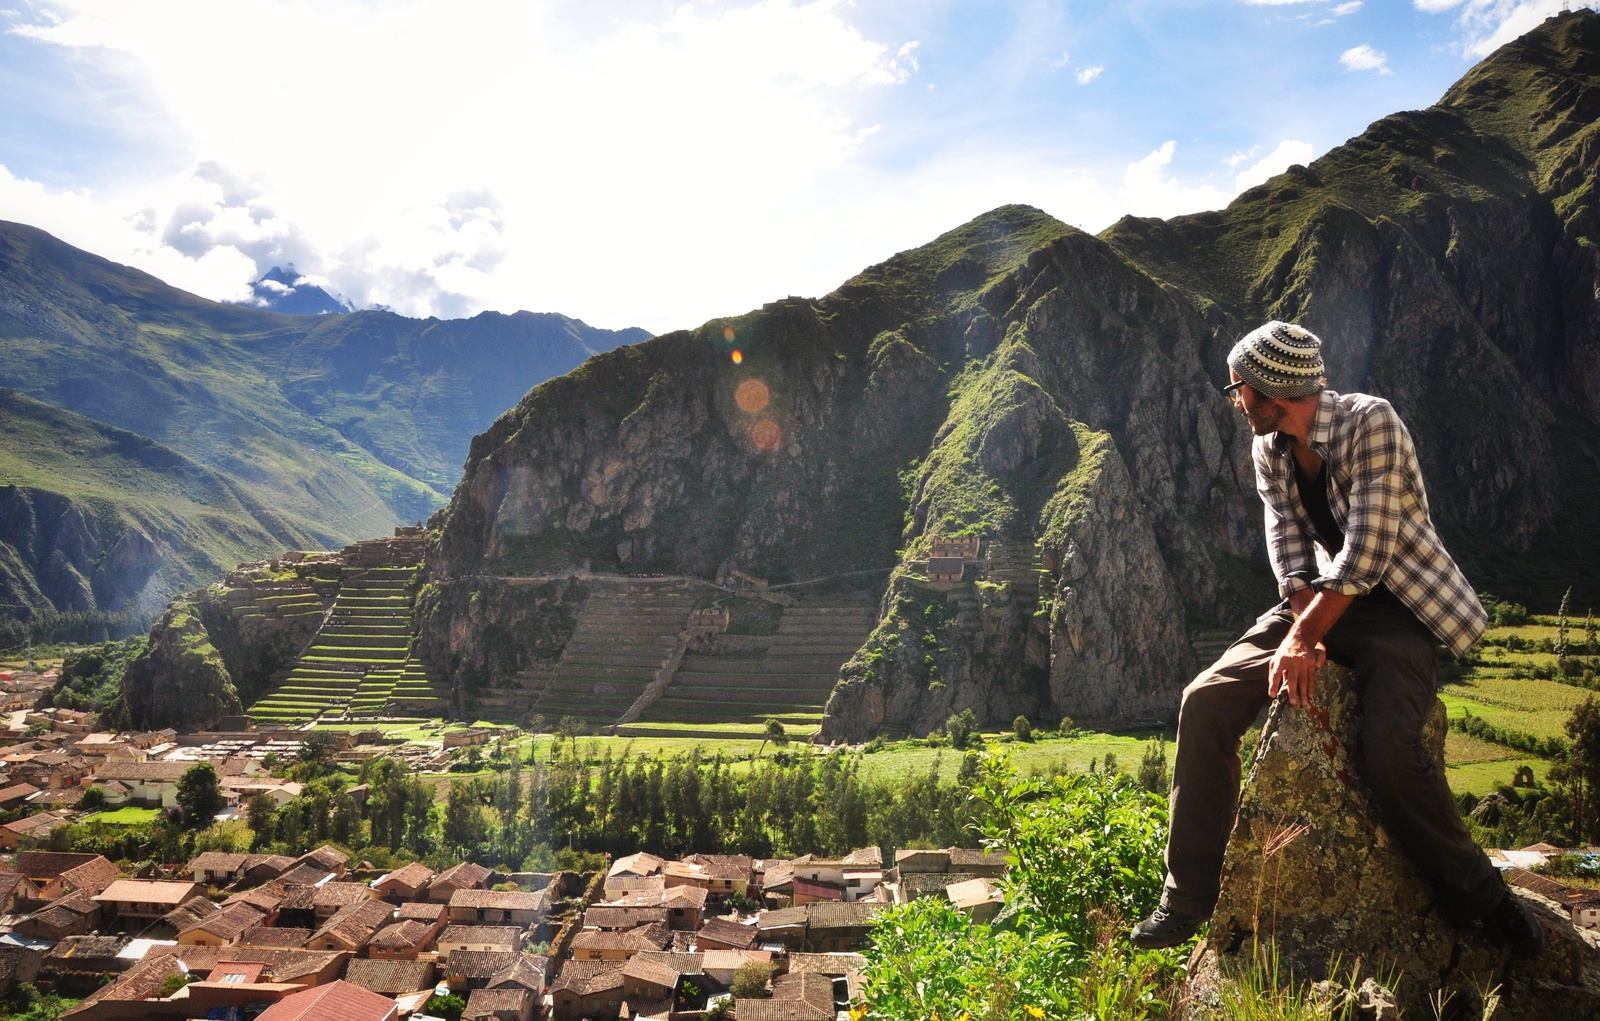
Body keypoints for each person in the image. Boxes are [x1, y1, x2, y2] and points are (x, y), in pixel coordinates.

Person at [1129, 321, 1544, 956]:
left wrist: (1303, 639)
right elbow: (1288, 544)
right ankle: (1188, 899)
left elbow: (1368, 551)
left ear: (1272, 388)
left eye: (1238, 387)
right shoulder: (1270, 448)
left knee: (1390, 752)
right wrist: (1307, 630)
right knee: (1204, 701)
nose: (1234, 400)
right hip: (1322, 605)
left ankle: (1481, 898)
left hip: (1399, 610)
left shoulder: (1371, 422)